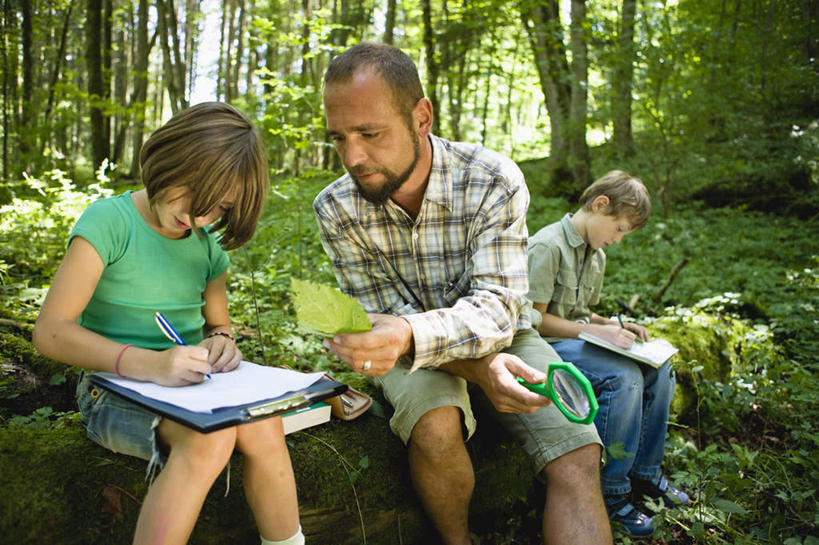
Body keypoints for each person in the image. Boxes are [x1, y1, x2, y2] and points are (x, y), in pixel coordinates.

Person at [314, 42, 612, 545]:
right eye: (339, 138)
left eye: (370, 133)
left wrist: (415, 334)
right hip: (409, 352)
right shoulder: (337, 208)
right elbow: (382, 325)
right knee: (435, 425)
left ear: (422, 117)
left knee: (578, 450)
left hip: (498, 337)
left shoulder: (493, 179)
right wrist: (474, 368)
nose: (353, 157)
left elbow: (500, 308)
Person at [33, 102, 304, 545]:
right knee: (209, 440)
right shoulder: (109, 223)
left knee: (263, 423)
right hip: (112, 389)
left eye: (218, 207)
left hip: (190, 387)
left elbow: (218, 323)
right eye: (191, 190)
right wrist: (150, 364)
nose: (198, 215)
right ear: (169, 156)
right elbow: (51, 331)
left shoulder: (207, 247)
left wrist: (222, 341)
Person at [526, 170, 690, 537]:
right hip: (545, 348)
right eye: (618, 229)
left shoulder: (595, 254)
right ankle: (611, 494)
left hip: (578, 340)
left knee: (660, 370)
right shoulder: (548, 245)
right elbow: (536, 320)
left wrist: (616, 324)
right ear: (600, 205)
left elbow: (581, 312)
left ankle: (645, 475)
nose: (618, 240)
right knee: (623, 378)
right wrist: (592, 330)